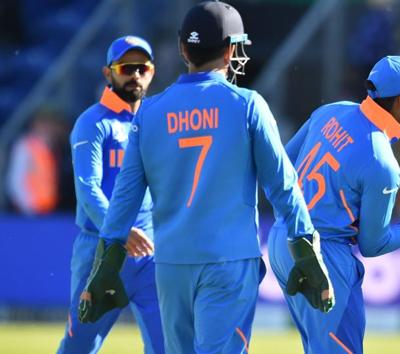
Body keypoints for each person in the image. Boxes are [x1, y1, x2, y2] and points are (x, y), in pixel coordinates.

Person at [76, 2, 334, 353]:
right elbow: (283, 186)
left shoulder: (149, 112)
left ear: (183, 49)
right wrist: (306, 249)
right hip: (229, 262)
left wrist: (106, 266)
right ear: (230, 51)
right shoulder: (248, 104)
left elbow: (124, 198)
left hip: (170, 266)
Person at [268, 55, 400, 354]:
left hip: (283, 239)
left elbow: (279, 172)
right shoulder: (382, 162)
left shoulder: (331, 111)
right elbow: (373, 244)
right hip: (326, 258)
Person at [57, 36, 164, 354]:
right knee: (79, 347)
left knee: (168, 346)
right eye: (126, 67)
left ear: (152, 71)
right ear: (108, 73)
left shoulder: (155, 121)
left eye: (142, 67)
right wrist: (118, 230)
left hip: (149, 254)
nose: (135, 75)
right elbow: (87, 188)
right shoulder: (92, 123)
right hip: (100, 254)